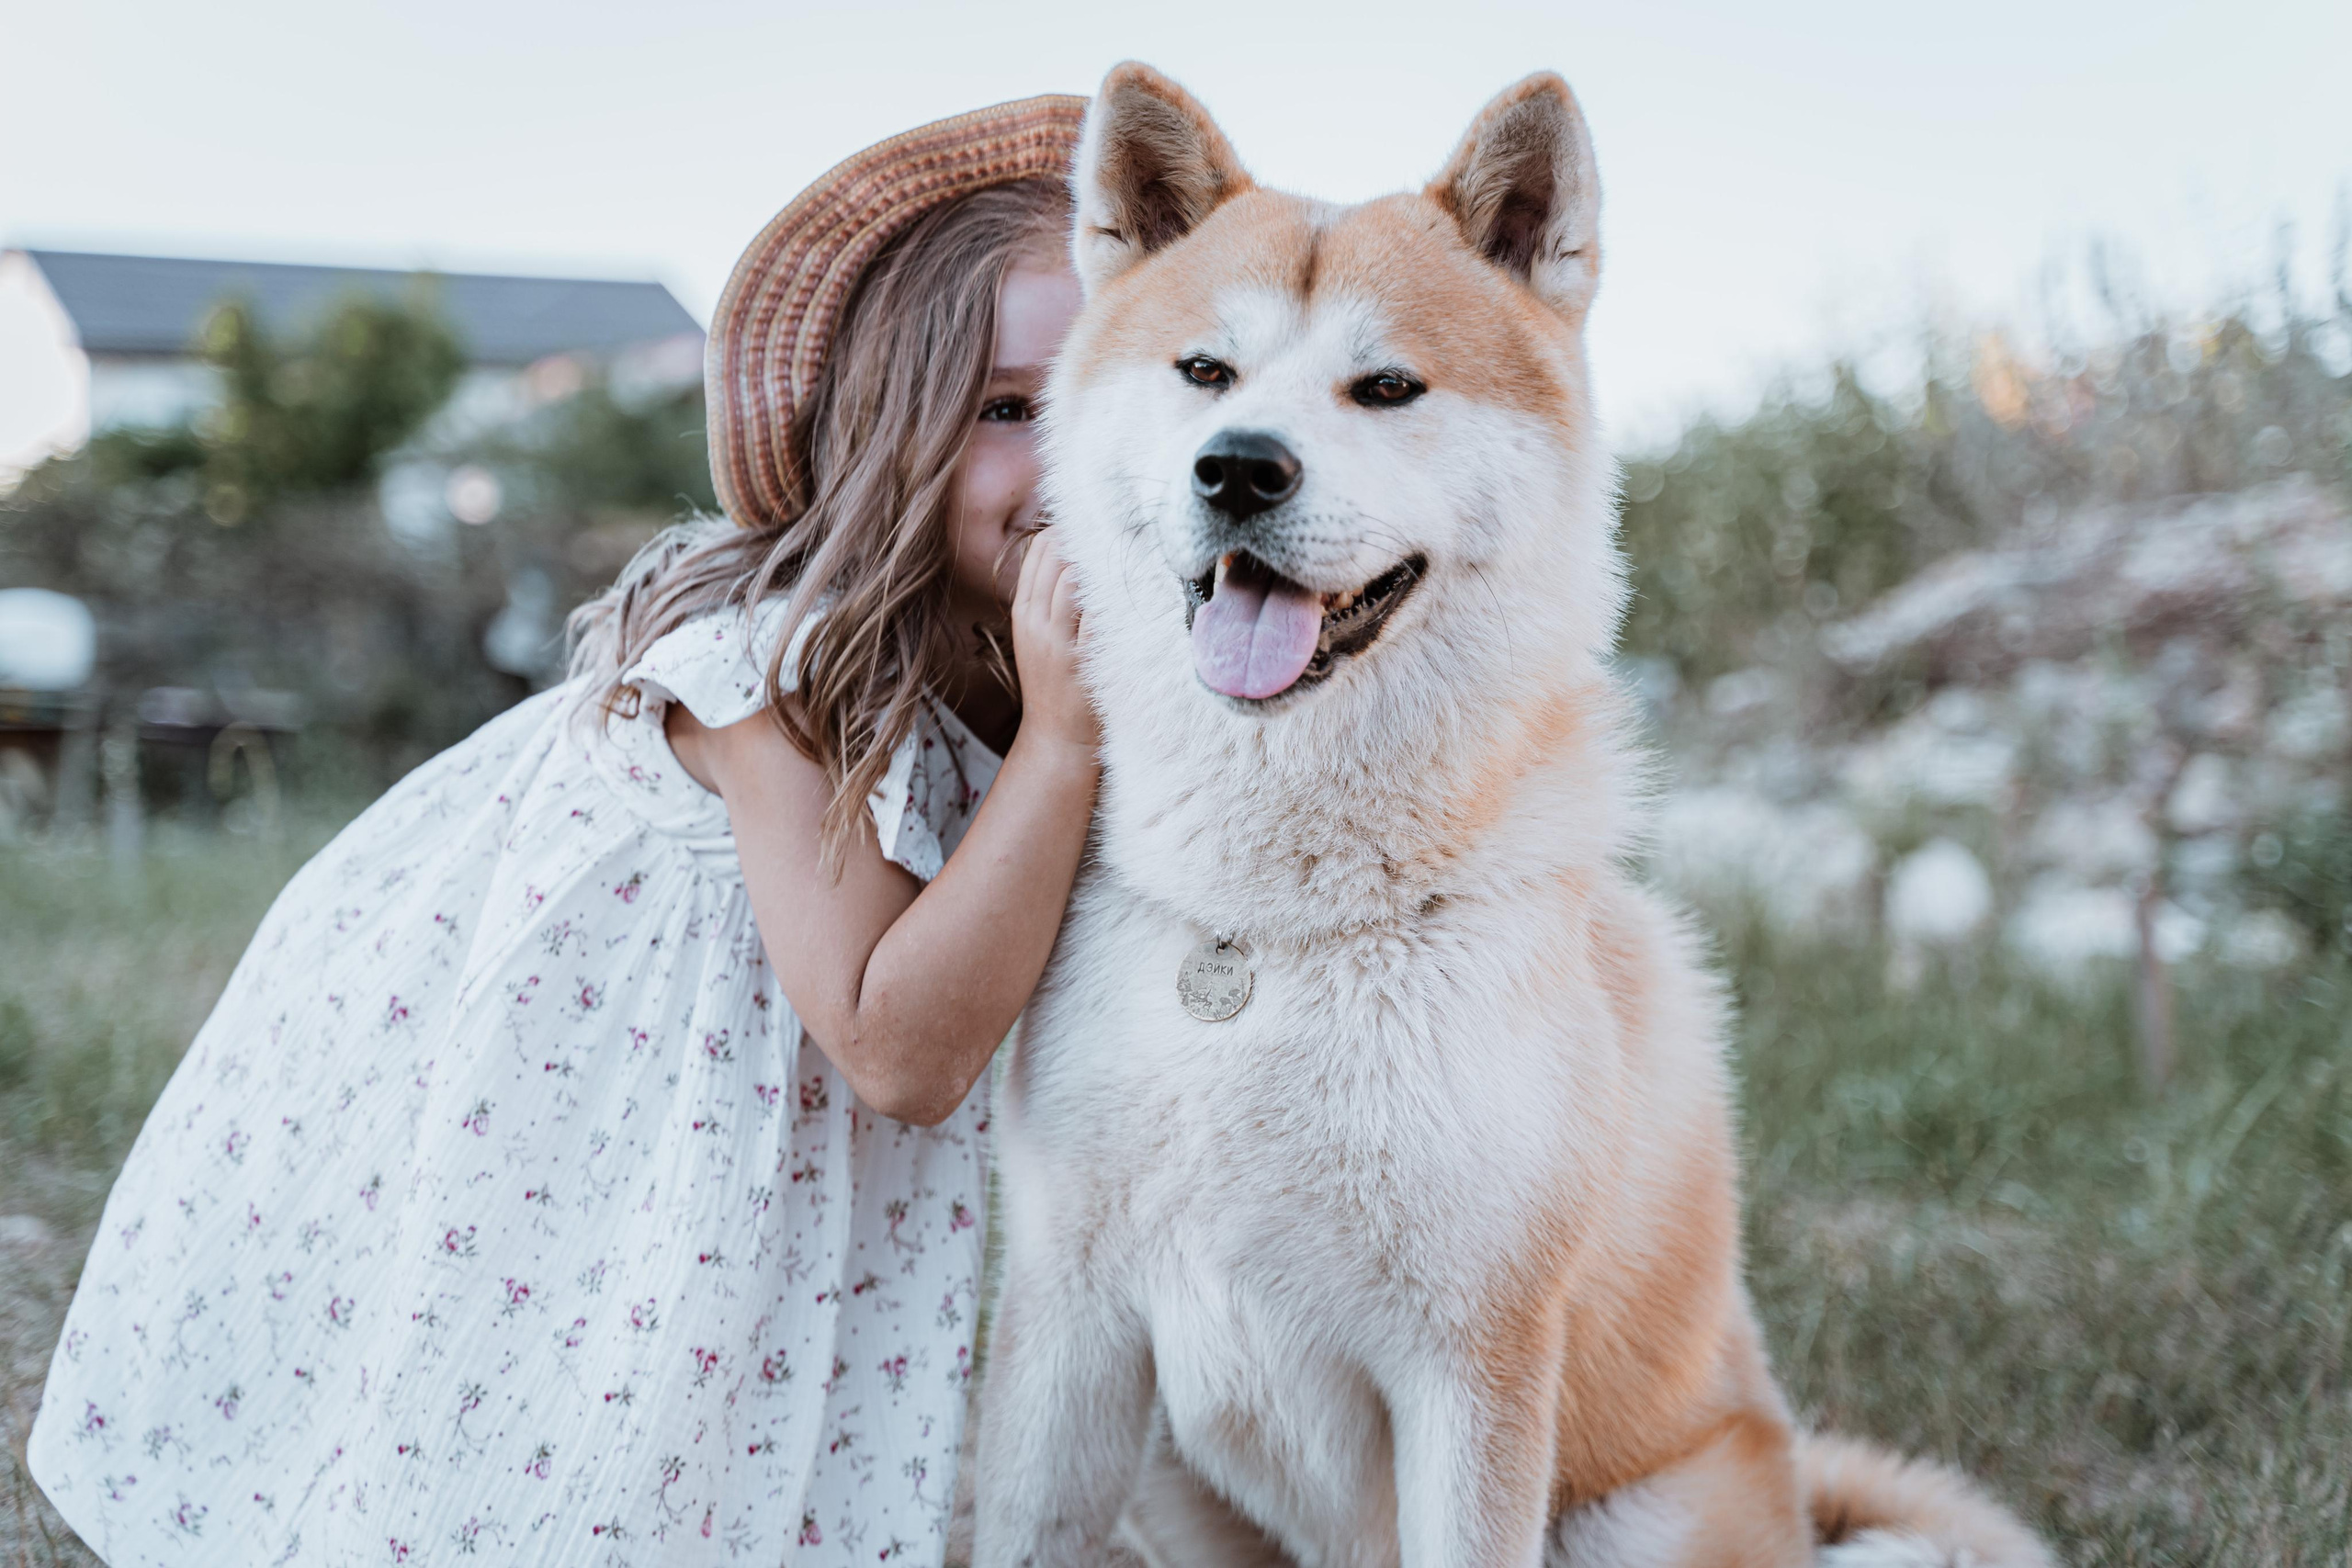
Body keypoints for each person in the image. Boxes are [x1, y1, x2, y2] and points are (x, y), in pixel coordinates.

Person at [28, 94, 1093, 1568]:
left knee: (726, 1455)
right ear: (887, 429)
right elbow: (900, 1048)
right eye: (1011, 409)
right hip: (575, 1138)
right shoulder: (774, 667)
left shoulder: (1026, 663)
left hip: (734, 1173)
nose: (1072, 462)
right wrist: (1068, 741)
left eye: (1120, 401)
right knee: (565, 1449)